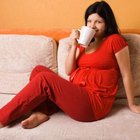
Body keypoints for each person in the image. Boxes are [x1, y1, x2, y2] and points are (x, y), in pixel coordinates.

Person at [0, 0, 140, 129]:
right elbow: (69, 70)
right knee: (39, 70)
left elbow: (126, 74)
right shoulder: (84, 43)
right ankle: (41, 112)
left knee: (44, 79)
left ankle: (2, 118)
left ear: (107, 23)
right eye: (89, 21)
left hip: (93, 104)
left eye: (98, 22)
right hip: (76, 94)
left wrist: (132, 104)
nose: (92, 25)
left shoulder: (114, 40)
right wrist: (75, 45)